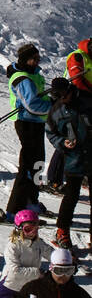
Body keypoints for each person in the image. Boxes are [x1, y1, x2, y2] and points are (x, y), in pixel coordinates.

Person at [0, 43, 52, 222]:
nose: (36, 62)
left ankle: (30, 201)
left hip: (36, 123)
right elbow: (32, 105)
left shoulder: (33, 75)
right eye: (33, 59)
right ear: (24, 59)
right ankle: (14, 210)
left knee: (37, 163)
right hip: (27, 123)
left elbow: (39, 98)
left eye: (38, 59)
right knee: (28, 166)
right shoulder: (22, 78)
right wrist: (54, 105)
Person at [46, 77, 92, 251]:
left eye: (63, 95)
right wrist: (62, 142)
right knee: (71, 196)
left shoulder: (87, 99)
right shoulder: (56, 110)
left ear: (69, 90)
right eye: (58, 96)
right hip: (74, 157)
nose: (61, 99)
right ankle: (62, 231)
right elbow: (51, 132)